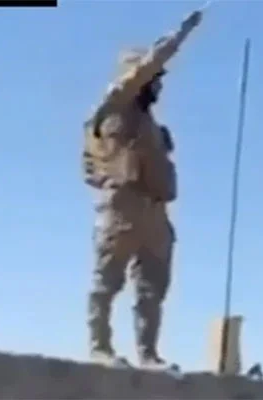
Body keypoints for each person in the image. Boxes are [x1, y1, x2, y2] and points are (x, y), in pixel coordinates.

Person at [81, 8, 202, 369]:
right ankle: (100, 347)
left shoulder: (150, 125)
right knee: (108, 280)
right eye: (154, 79)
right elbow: (146, 68)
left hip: (155, 210)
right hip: (122, 205)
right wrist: (181, 35)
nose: (157, 85)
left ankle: (148, 354)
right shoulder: (116, 105)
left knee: (152, 287)